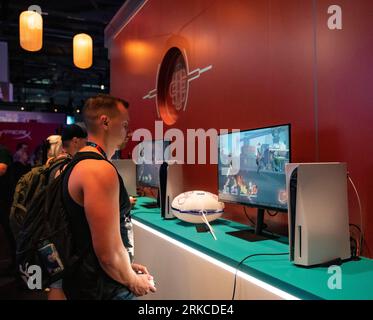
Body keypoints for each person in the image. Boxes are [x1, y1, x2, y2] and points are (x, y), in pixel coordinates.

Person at [62, 94, 155, 300]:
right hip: (102, 289)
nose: (127, 131)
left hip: (90, 281)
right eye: (124, 125)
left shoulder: (81, 162)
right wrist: (132, 280)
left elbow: (93, 237)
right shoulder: (99, 170)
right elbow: (107, 253)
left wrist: (126, 267)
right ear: (105, 122)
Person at [0, 144, 16, 271]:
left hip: (4, 200)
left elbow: (2, 169)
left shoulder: (2, 151)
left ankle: (17, 265)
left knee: (10, 232)